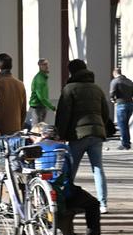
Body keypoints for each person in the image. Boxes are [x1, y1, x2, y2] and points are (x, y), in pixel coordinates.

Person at [55, 58, 114, 214]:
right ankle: (103, 204)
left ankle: (66, 200)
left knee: (70, 169)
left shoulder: (69, 89)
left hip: (78, 135)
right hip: (97, 134)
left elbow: (64, 114)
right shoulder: (97, 89)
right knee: (98, 168)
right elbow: (105, 113)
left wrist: (61, 133)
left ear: (71, 72)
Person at [0, 53, 27, 137]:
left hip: (0, 130)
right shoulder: (20, 84)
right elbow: (23, 110)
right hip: (15, 129)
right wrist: (20, 126)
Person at [110, 67, 133, 150]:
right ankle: (127, 142)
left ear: (114, 74)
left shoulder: (115, 81)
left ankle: (125, 144)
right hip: (130, 104)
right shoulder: (129, 81)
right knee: (125, 124)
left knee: (122, 125)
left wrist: (113, 100)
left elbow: (112, 92)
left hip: (121, 104)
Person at [29, 59, 56, 127]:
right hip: (38, 107)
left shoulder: (43, 77)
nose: (47, 66)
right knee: (37, 130)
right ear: (40, 66)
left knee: (40, 129)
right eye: (44, 64)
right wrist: (52, 107)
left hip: (41, 106)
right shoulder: (39, 79)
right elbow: (41, 97)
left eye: (47, 64)